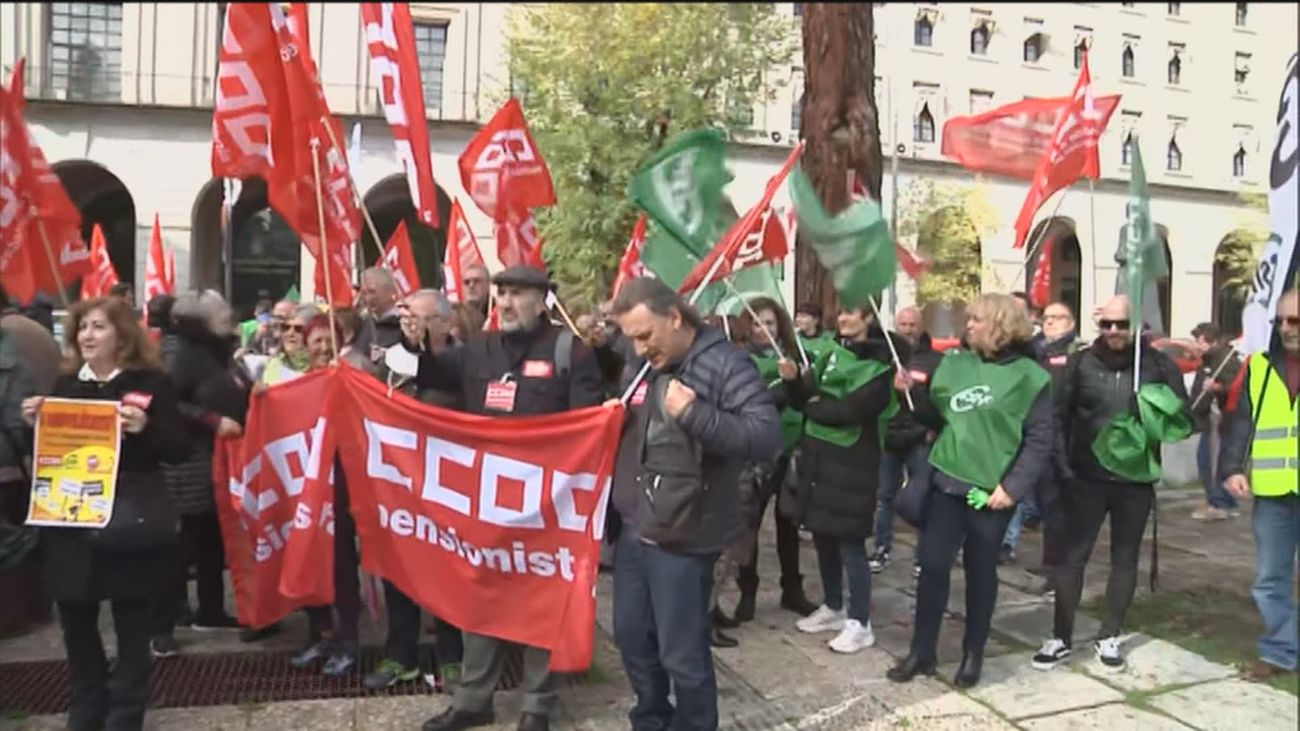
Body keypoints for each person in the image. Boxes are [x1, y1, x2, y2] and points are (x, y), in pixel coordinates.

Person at [405, 265, 603, 731]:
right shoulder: (480, 349)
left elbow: (588, 424)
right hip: (488, 501)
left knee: (542, 600)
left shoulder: (570, 351)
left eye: (518, 294)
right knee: (482, 597)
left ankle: (538, 704)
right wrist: (418, 344)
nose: (508, 302)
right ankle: (474, 700)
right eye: (503, 293)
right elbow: (432, 372)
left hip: (548, 503)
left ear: (542, 301)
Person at [607, 277, 782, 731]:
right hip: (635, 525)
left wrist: (696, 416)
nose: (640, 347)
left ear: (675, 318)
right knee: (632, 638)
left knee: (682, 654)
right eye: (631, 338)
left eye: (645, 335)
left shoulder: (727, 364)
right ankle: (650, 718)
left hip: (686, 534)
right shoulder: (641, 365)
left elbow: (766, 437)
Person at [21, 296, 189, 731]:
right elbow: (42, 457)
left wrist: (145, 429)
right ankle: (86, 703)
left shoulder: (151, 383)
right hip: (71, 523)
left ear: (122, 335)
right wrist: (30, 425)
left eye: (98, 327)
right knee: (76, 623)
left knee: (133, 626)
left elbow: (179, 448)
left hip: (129, 524)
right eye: (82, 328)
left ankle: (125, 710)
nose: (87, 336)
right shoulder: (63, 386)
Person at [887, 294, 1053, 689]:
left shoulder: (1031, 377)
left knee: (981, 572)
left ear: (999, 325)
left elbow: (1040, 440)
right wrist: (906, 393)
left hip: (990, 491)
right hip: (946, 481)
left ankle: (973, 653)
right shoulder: (956, 363)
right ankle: (921, 652)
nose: (969, 326)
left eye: (977, 319)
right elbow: (936, 416)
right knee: (932, 566)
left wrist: (1012, 489)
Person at [1033, 295, 1188, 673]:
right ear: (1099, 325)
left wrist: (1154, 407)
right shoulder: (1080, 363)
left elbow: (1183, 417)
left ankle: (1110, 633)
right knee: (1072, 559)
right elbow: (1058, 416)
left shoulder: (1157, 365)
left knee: (1124, 559)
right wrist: (1064, 466)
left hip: (1134, 480)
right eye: (1108, 325)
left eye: (1122, 324)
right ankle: (1061, 636)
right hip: (1085, 477)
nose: (1115, 332)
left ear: (1137, 325)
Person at [363, 289, 466, 691]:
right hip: (398, 486)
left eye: (419, 317)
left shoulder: (466, 360)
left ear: (443, 322)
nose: (409, 321)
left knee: (448, 574)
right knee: (399, 573)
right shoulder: (387, 362)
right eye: (405, 313)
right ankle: (400, 656)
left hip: (446, 486)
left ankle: (453, 657)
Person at [786, 304, 896, 654]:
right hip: (819, 459)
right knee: (823, 536)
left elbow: (852, 411)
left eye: (852, 314)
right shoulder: (830, 352)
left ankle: (860, 622)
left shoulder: (880, 366)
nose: (844, 319)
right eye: (841, 314)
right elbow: (804, 396)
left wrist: (815, 406)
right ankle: (833, 605)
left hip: (854, 462)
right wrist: (793, 382)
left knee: (850, 544)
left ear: (868, 319)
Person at [150, 292, 249, 658]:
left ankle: (210, 610)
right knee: (184, 545)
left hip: (218, 461)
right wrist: (212, 420)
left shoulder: (217, 351)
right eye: (222, 311)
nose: (230, 315)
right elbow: (169, 403)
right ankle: (162, 624)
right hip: (187, 463)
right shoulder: (179, 353)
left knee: (211, 541)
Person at [1218, 289, 1299, 682]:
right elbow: (1241, 423)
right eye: (1281, 321)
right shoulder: (1260, 367)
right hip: (1272, 493)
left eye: (1295, 321)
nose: (1286, 328)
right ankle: (1280, 653)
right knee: (1270, 580)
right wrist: (1232, 467)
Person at [730, 298, 819, 626]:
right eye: (756, 323)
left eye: (769, 323)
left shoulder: (795, 356)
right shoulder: (740, 359)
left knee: (789, 522)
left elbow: (808, 396)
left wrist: (795, 381)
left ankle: (792, 589)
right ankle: (747, 591)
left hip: (792, 447)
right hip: (757, 453)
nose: (764, 330)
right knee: (750, 525)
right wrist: (779, 391)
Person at [286, 314, 363, 677]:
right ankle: (322, 635)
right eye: (315, 340)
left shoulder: (350, 380)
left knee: (341, 564)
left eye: (328, 339)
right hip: (305, 491)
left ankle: (349, 641)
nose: (321, 347)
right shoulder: (296, 385)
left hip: (343, 487)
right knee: (308, 559)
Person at [872, 306, 941, 577]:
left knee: (922, 499)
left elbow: (940, 397)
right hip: (889, 436)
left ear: (921, 326)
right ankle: (881, 548)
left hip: (920, 436)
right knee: (884, 497)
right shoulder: (885, 357)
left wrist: (934, 427)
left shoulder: (936, 360)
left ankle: (922, 557)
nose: (908, 329)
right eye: (903, 324)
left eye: (913, 324)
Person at [1026, 301, 1080, 595]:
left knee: (1061, 510)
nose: (1050, 323)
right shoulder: (1039, 350)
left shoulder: (1075, 353)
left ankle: (1059, 570)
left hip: (1065, 441)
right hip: (1041, 438)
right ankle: (1051, 562)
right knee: (1047, 507)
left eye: (1057, 318)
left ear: (1070, 323)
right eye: (1046, 318)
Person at [1189, 322, 1242, 521]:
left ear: (1210, 341)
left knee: (1210, 461)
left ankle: (1218, 503)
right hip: (1210, 420)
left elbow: (1237, 387)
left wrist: (1218, 387)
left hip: (1221, 420)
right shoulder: (1209, 359)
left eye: (1199, 340)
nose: (1196, 344)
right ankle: (1223, 500)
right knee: (1211, 460)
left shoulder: (1226, 360)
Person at [260, 304, 317, 385]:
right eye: (286, 327)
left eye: (298, 329)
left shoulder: (323, 368)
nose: (290, 333)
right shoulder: (274, 364)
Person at [354, 267, 405, 359]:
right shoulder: (361, 323)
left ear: (391, 291)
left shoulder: (406, 324)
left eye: (372, 292)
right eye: (364, 293)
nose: (367, 298)